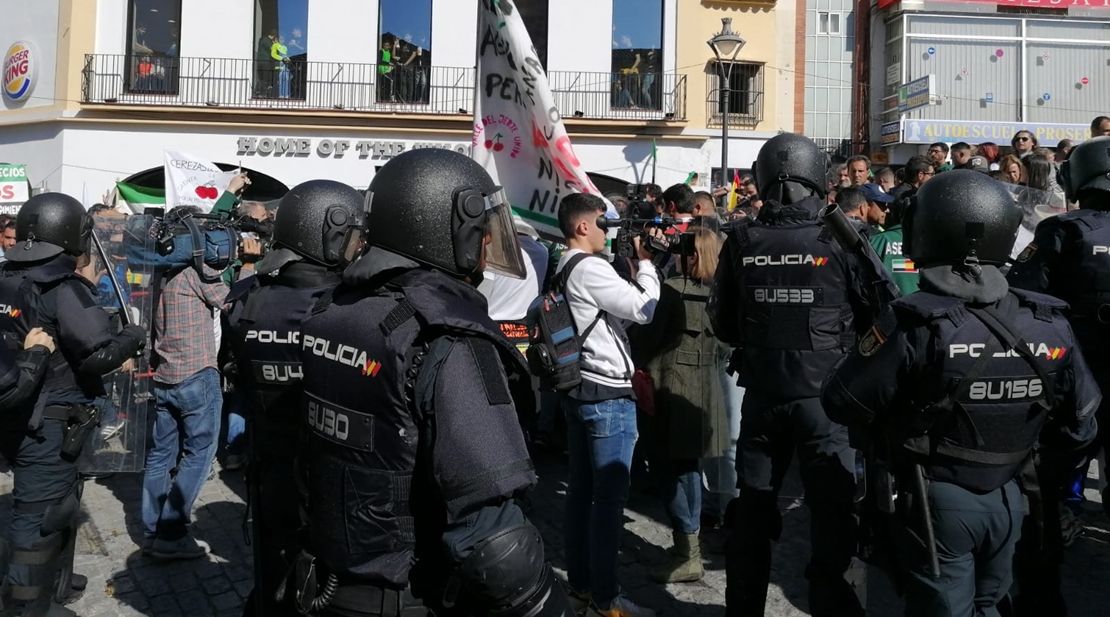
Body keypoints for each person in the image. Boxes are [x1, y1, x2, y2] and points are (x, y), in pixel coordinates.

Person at [295, 148, 573, 616]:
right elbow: (494, 544)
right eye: (483, 230)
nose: (488, 244)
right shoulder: (446, 336)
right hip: (409, 592)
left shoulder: (333, 308)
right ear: (452, 230)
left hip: (333, 577)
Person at [822, 170, 1100, 617]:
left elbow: (841, 400)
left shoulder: (915, 321)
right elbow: (1083, 420)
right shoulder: (1049, 321)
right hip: (1014, 496)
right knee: (990, 606)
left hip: (935, 498)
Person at [710, 133, 868, 617]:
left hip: (762, 396)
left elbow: (723, 322)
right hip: (825, 399)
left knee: (752, 515)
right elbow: (876, 313)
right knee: (833, 518)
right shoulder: (840, 238)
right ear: (818, 179)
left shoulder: (742, 240)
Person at [0, 193, 146, 617]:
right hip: (49, 424)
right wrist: (132, 338)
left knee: (61, 505)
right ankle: (25, 606)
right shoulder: (62, 288)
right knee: (39, 519)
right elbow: (96, 354)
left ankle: (57, 585)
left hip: (19, 414)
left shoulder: (8, 275)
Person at [225, 180, 362, 617]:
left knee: (273, 576)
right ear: (334, 232)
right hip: (341, 482)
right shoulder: (356, 305)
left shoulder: (244, 298)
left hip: (270, 469)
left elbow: (234, 371)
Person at [1007, 136, 1110, 613]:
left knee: (1044, 492)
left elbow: (1021, 300)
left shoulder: (1061, 231)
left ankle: (1042, 601)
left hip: (1072, 384)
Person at [556, 192, 661, 617]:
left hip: (579, 389)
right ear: (583, 226)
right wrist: (648, 264)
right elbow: (643, 308)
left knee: (581, 496)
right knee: (608, 503)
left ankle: (581, 589)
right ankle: (606, 599)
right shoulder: (590, 268)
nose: (609, 231)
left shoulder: (562, 263)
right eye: (604, 223)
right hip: (607, 395)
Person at [631, 226, 725, 585]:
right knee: (689, 469)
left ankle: (688, 553)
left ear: (692, 255)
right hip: (704, 388)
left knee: (667, 470)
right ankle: (690, 546)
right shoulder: (720, 292)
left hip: (669, 387)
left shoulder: (671, 291)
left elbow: (647, 337)